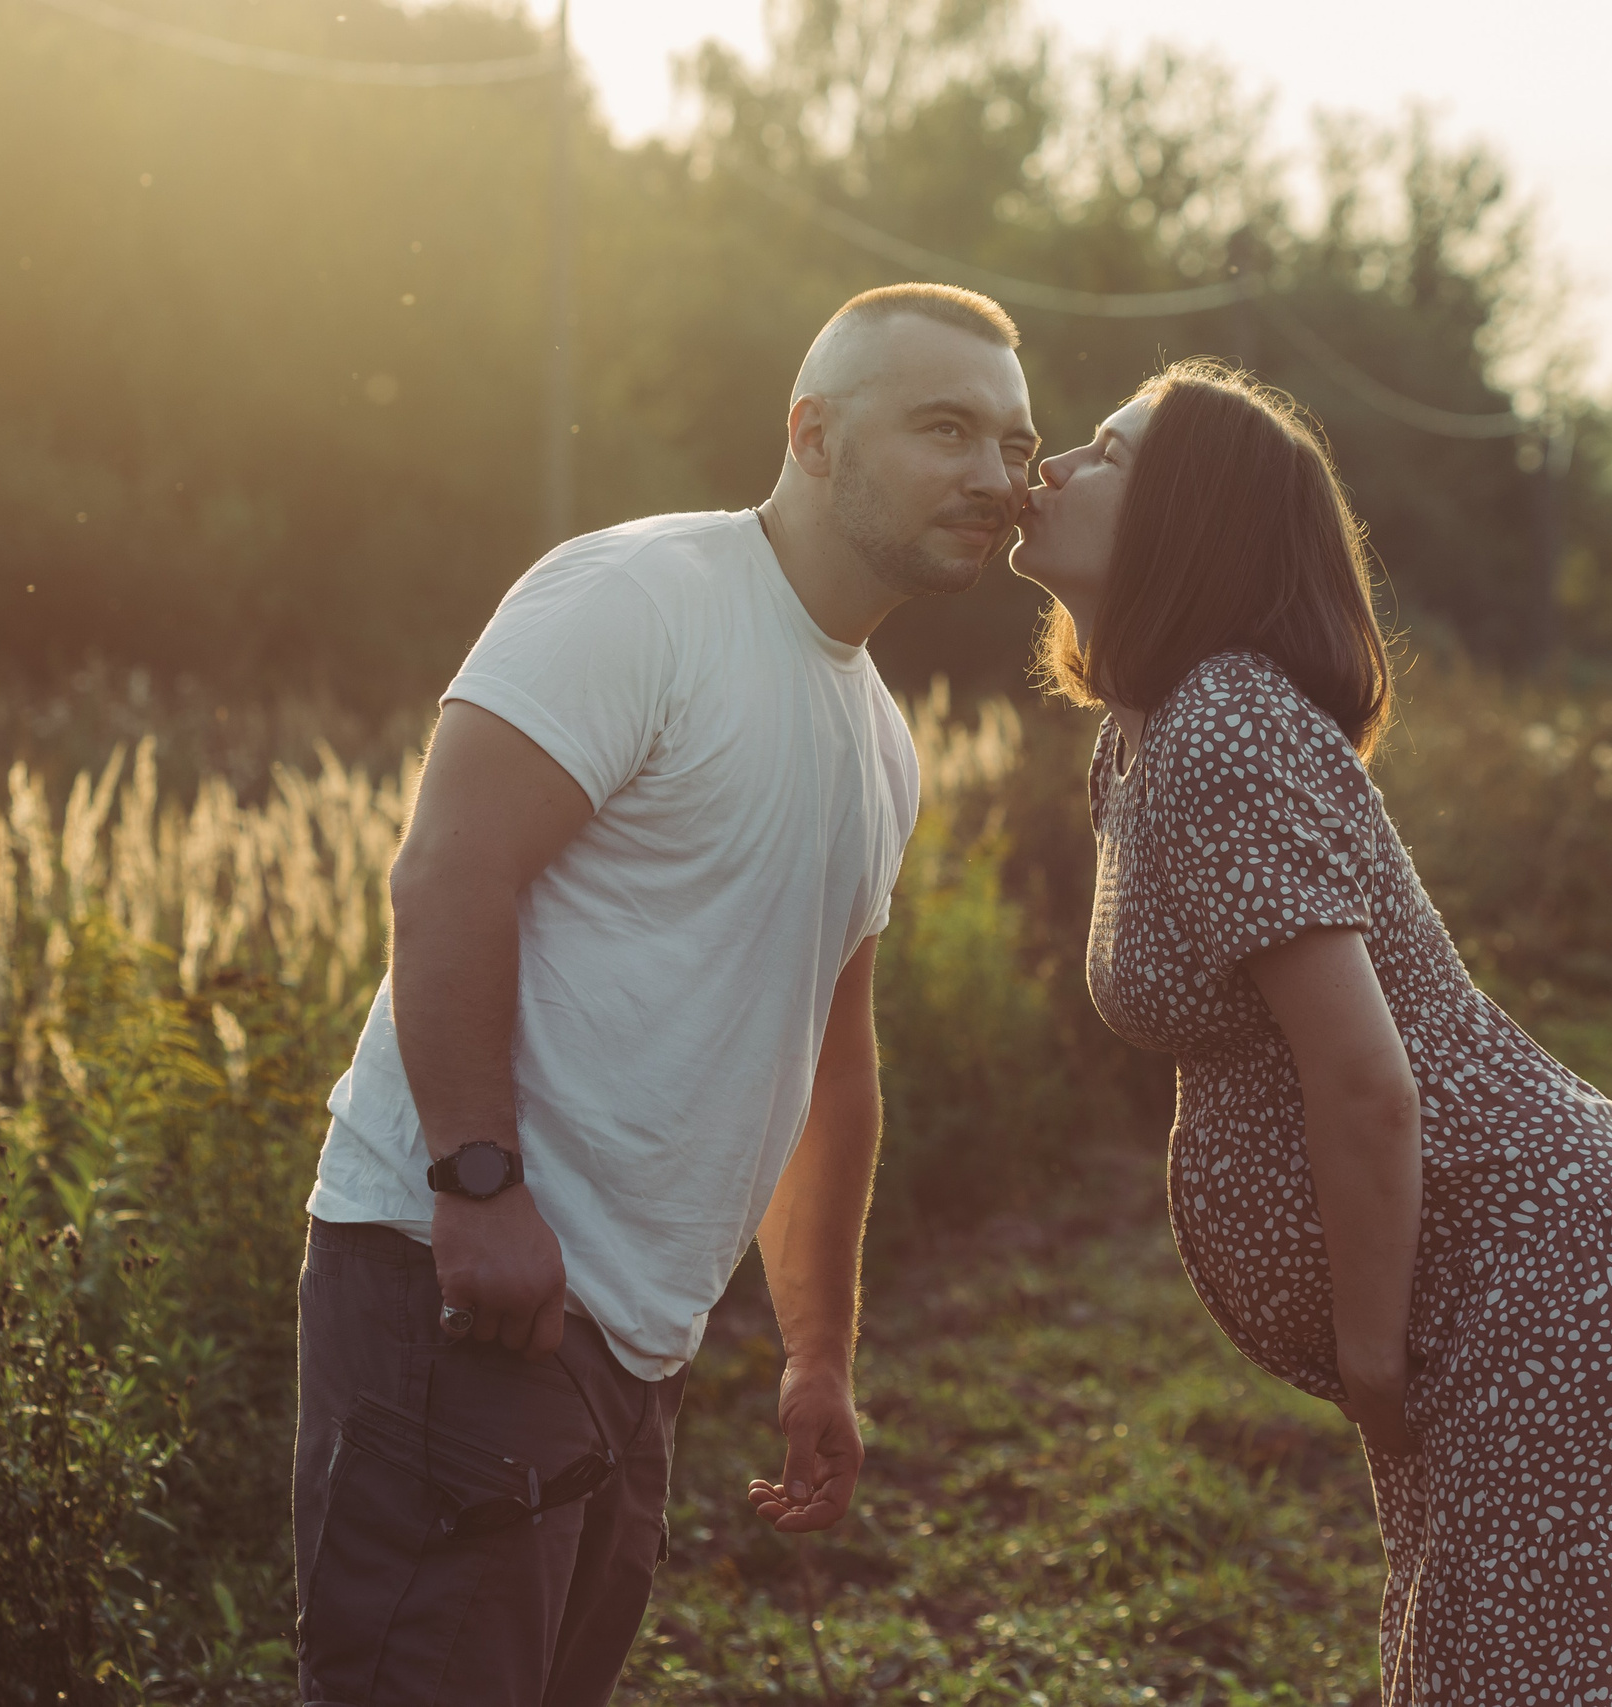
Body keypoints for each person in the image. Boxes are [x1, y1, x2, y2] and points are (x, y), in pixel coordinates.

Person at [292, 282, 1040, 1707]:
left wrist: (820, 1354)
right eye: (947, 429)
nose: (998, 479)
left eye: (1015, 443)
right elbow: (449, 874)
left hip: (633, 1344)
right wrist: (480, 1188)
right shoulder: (642, 595)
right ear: (811, 434)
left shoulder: (881, 739)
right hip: (472, 1288)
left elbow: (828, 1063)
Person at [1011, 358, 1612, 1703]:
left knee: (1525, 1674)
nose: (1055, 464)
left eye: (1109, 452)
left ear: (1190, 520)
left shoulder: (1224, 725)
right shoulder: (1141, 736)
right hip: (1508, 1275)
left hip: (1553, 1274)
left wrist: (1369, 1355)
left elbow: (1365, 1079)